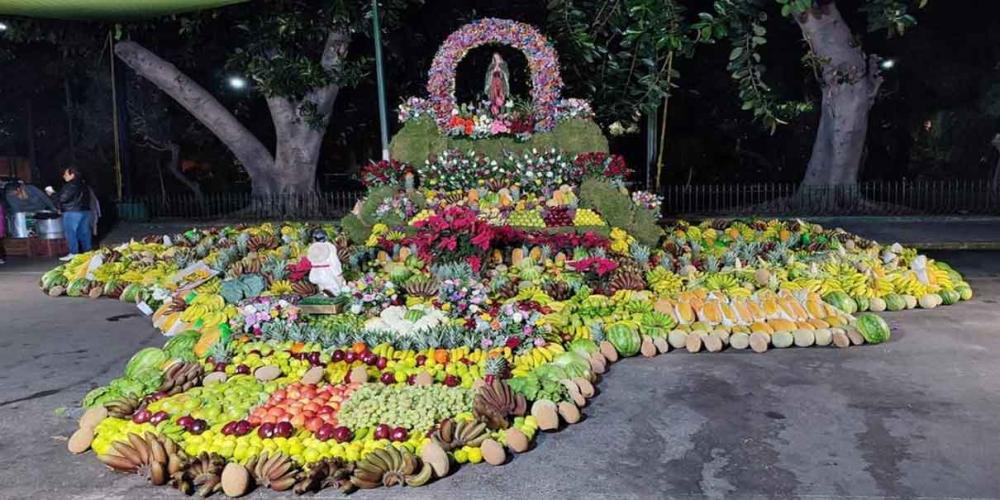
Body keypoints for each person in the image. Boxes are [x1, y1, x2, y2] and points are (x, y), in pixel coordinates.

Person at [50, 167, 92, 261]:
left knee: (71, 233)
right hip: (85, 211)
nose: (63, 176)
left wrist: (52, 194)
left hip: (72, 212)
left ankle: (73, 253)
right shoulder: (83, 184)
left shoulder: (70, 185)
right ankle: (88, 253)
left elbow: (62, 199)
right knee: (84, 233)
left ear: (72, 175)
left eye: (65, 174)